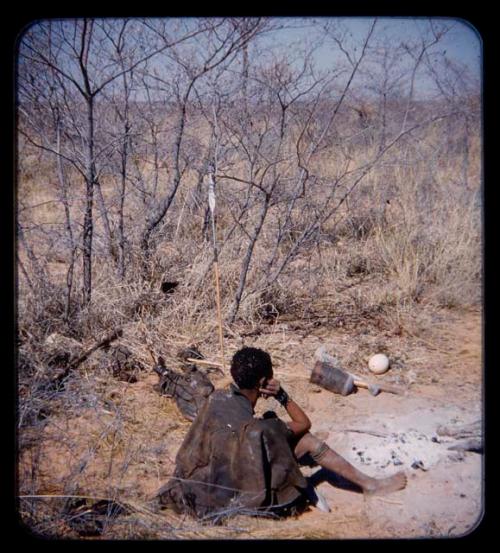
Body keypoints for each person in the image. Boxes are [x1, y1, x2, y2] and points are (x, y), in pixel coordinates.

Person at [158, 347, 406, 520]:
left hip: (206, 480)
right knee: (307, 441)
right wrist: (282, 395)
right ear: (264, 381)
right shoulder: (263, 430)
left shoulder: (217, 400)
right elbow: (304, 423)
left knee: (273, 429)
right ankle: (371, 485)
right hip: (245, 493)